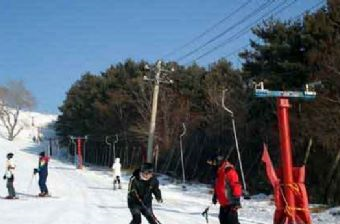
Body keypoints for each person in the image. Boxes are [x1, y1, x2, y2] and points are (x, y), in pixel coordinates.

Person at [212, 157, 242, 224]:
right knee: (222, 220)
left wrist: (236, 200)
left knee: (232, 222)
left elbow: (236, 185)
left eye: (213, 162)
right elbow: (218, 185)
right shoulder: (218, 171)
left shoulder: (229, 171)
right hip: (223, 204)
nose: (213, 165)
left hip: (231, 203)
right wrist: (215, 195)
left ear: (218, 161)